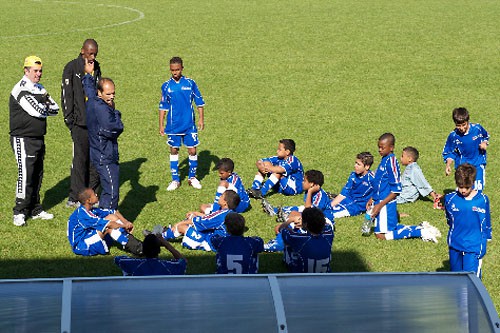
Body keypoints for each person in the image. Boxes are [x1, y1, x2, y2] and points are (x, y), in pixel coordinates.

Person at [9, 56, 59, 227]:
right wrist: (44, 106)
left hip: (38, 138)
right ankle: (19, 211)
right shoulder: (21, 90)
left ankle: (35, 209)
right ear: (26, 70)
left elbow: (55, 108)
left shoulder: (39, 88)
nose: (39, 74)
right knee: (25, 175)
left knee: (37, 174)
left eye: (40, 71)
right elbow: (37, 110)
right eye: (35, 71)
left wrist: (45, 106)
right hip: (23, 138)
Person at [368, 133, 441, 242]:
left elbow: (396, 190)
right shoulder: (384, 159)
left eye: (382, 147)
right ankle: (421, 228)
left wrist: (380, 205)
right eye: (378, 147)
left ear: (391, 147)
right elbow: (379, 183)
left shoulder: (391, 162)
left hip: (385, 203)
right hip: (380, 201)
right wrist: (373, 198)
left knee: (381, 235)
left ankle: (422, 232)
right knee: (390, 229)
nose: (379, 150)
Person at [61, 39, 101, 208]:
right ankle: (75, 196)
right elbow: (66, 95)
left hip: (94, 123)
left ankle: (92, 194)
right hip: (78, 123)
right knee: (79, 160)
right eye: (90, 53)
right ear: (82, 51)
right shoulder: (71, 67)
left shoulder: (96, 67)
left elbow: (98, 92)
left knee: (93, 161)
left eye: (95, 54)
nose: (92, 57)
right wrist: (69, 119)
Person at [158, 56, 205, 191]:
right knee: (173, 149)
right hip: (173, 126)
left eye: (177, 70)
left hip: (189, 124)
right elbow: (163, 106)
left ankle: (192, 177)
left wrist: (201, 119)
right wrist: (161, 125)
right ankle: (175, 180)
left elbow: (199, 102)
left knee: (192, 149)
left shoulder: (190, 83)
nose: (175, 73)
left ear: (182, 68)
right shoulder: (166, 86)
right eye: (172, 70)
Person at [82, 59, 123, 210]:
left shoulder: (93, 101)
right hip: (105, 156)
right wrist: (116, 112)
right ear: (100, 93)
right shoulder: (104, 110)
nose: (112, 97)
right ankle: (108, 223)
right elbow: (115, 129)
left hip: (97, 153)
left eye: (113, 93)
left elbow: (89, 90)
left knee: (105, 189)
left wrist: (88, 74)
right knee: (111, 192)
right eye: (108, 94)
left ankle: (102, 218)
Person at [262, 170, 334, 252]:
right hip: (314, 219)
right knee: (293, 214)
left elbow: (309, 211)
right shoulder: (311, 191)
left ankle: (278, 244)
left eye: (304, 181)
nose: (302, 182)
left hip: (324, 224)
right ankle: (280, 217)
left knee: (288, 225)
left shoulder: (319, 196)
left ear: (312, 184)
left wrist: (310, 192)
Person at [444, 164, 491, 278]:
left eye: (467, 187)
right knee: (456, 278)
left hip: (473, 246)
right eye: (460, 187)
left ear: (473, 183)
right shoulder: (449, 199)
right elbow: (450, 219)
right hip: (455, 244)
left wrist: (486, 238)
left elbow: (486, 222)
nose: (463, 190)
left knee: (471, 280)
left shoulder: (482, 200)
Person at [153, 190, 240, 251]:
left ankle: (158, 238)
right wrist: (195, 213)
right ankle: (168, 232)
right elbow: (209, 218)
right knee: (192, 217)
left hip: (210, 243)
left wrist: (179, 223)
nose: (219, 196)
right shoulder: (230, 213)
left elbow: (201, 221)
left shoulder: (221, 216)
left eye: (222, 196)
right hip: (216, 238)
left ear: (225, 202)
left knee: (182, 227)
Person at [67, 188, 143, 256]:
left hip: (88, 235)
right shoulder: (83, 215)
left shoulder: (90, 209)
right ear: (89, 200)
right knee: (108, 228)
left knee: (111, 217)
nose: (96, 195)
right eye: (94, 194)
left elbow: (113, 212)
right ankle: (138, 249)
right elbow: (109, 224)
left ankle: (133, 243)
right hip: (82, 245)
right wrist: (124, 226)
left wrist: (126, 222)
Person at [442, 107, 489, 191]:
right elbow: (449, 152)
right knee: (463, 190)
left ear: (468, 121)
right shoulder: (453, 136)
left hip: (478, 164)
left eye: (464, 125)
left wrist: (484, 143)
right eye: (458, 125)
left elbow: (486, 136)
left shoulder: (477, 128)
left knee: (477, 191)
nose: (461, 128)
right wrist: (448, 164)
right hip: (462, 167)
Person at [281, 207, 334, 273]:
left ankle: (286, 261)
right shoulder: (329, 233)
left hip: (302, 276)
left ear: (305, 224)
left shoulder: (299, 238)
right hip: (325, 275)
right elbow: (327, 225)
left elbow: (282, 230)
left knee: (288, 245)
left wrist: (291, 220)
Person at [329, 152, 375, 219]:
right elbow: (344, 193)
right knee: (325, 206)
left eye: (358, 164)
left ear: (367, 167)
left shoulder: (372, 179)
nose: (355, 166)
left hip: (357, 206)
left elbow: (381, 191)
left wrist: (371, 201)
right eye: (355, 163)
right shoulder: (353, 175)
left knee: (330, 214)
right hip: (348, 199)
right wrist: (330, 205)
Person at [114, 234, 187, 276]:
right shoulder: (169, 266)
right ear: (159, 250)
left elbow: (117, 259)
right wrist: (166, 244)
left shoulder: (132, 264)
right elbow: (183, 261)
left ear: (143, 249)